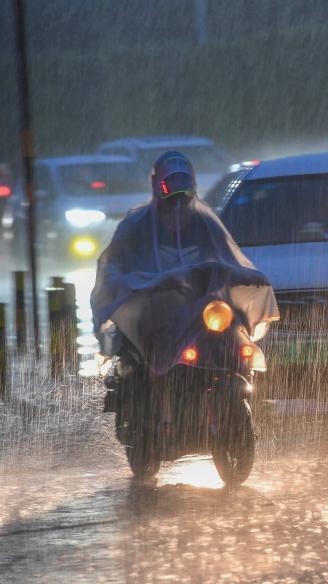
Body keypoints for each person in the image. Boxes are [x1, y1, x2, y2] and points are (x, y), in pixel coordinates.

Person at [91, 151, 277, 434]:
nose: (177, 207)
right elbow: (113, 265)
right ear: (158, 189)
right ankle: (162, 417)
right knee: (156, 352)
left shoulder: (205, 222)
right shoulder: (136, 225)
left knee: (234, 333)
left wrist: (249, 277)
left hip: (201, 307)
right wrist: (133, 282)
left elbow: (227, 256)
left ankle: (238, 384)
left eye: (184, 195)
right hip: (156, 309)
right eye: (171, 196)